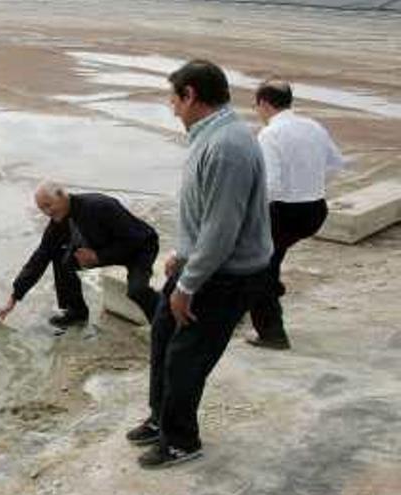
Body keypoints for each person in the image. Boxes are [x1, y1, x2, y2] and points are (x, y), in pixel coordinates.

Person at [125, 60, 272, 469]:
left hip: (225, 276)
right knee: (162, 335)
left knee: (186, 357)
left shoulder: (226, 147)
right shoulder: (212, 137)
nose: (172, 108)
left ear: (190, 95)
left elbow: (222, 230)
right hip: (202, 265)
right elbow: (205, 216)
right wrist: (183, 255)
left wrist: (188, 285)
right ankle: (161, 420)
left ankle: (181, 442)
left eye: (174, 99)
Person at [247, 79, 345, 350]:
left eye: (256, 105)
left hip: (285, 212)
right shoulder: (314, 126)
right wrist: (311, 185)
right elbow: (337, 164)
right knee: (272, 257)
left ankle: (272, 334)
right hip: (315, 209)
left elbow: (271, 186)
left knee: (258, 269)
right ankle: (274, 286)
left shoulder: (270, 134)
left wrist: (250, 214)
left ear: (265, 103)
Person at [0, 181, 160, 334]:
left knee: (137, 290)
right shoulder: (58, 222)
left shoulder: (100, 206)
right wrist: (15, 296)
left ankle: (164, 322)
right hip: (104, 250)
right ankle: (76, 312)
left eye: (48, 206)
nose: (47, 213)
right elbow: (40, 257)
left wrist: (99, 256)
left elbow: (136, 239)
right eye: (42, 209)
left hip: (140, 248)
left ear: (61, 195)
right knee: (61, 257)